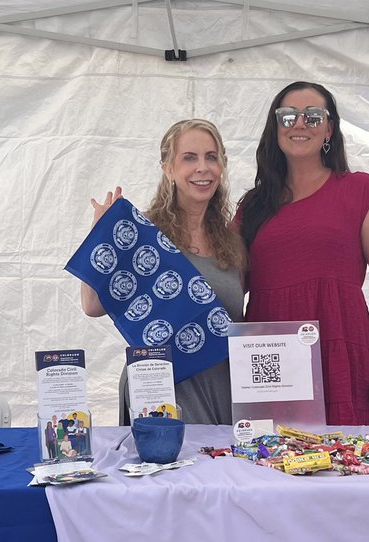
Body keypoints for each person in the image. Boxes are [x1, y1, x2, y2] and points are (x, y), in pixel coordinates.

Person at [238, 81, 369, 426]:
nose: (300, 124)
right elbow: (221, 280)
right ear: (275, 128)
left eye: (313, 116)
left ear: (329, 128)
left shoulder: (359, 190)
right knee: (272, 466)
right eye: (287, 116)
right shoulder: (252, 207)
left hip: (341, 347)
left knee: (353, 468)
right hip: (272, 359)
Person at [81, 119, 246, 425]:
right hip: (160, 390)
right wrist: (101, 236)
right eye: (189, 157)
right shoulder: (143, 232)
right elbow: (92, 305)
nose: (203, 167)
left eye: (212, 157)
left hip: (221, 387)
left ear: (223, 165)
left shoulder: (234, 242)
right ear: (168, 168)